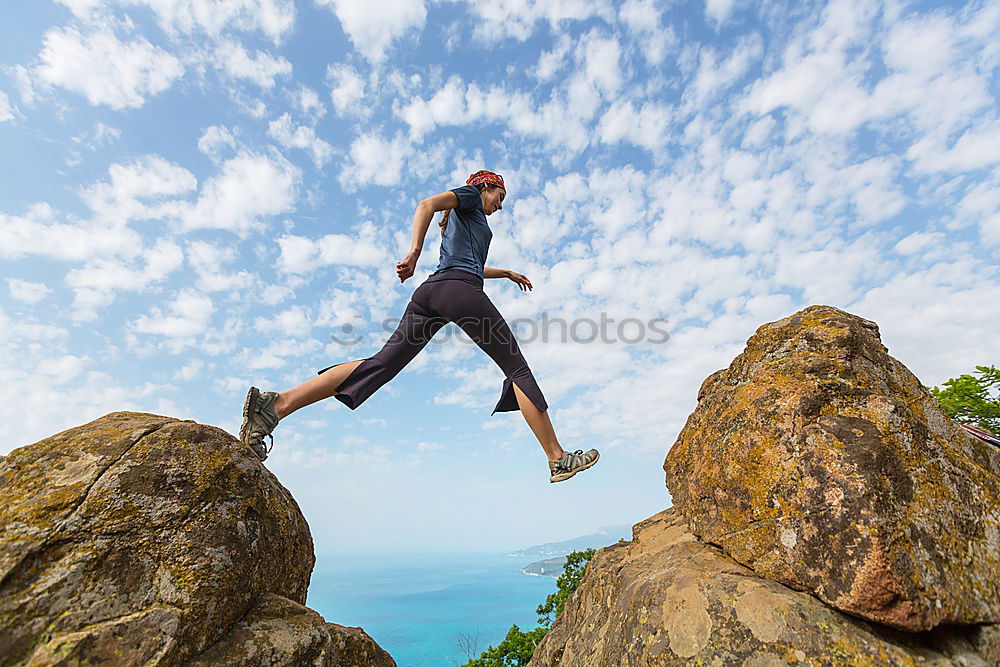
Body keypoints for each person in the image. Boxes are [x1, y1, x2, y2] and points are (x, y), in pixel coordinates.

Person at [239, 170, 599, 483]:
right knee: (516, 368)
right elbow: (426, 204)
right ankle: (557, 457)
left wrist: (502, 272)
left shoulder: (468, 220)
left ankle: (276, 406)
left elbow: (467, 263)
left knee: (381, 365)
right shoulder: (470, 195)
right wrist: (412, 253)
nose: (500, 205)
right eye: (500, 196)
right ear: (485, 186)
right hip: (458, 291)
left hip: (433, 293)